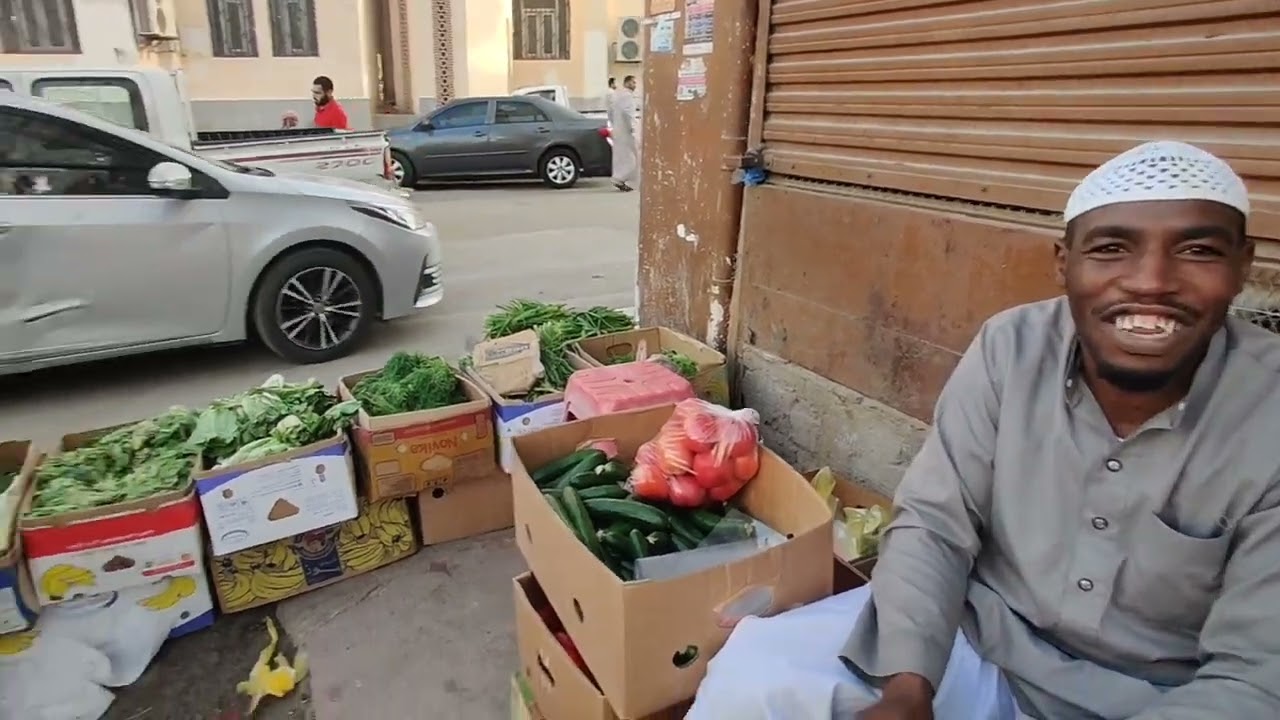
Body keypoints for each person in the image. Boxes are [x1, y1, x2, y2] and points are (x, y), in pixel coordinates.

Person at [685, 140, 1280, 719]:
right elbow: (935, 523)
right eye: (1111, 250)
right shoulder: (1012, 347)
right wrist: (908, 684)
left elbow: (1257, 674)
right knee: (755, 678)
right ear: (1064, 263)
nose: (1151, 281)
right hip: (979, 638)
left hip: (1150, 697)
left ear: (1242, 266)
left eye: (1197, 251)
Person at [607, 74, 639, 192]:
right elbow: (628, 114)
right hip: (626, 132)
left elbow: (610, 112)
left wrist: (613, 125)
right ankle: (620, 179)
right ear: (627, 83)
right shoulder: (627, 97)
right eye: (633, 82)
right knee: (631, 157)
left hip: (618, 130)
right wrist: (632, 128)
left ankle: (619, 178)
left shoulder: (617, 95)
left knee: (621, 157)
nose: (634, 85)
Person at [282, 76, 350, 130]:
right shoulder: (320, 110)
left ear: (329, 92)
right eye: (313, 92)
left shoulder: (337, 112)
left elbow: (340, 141)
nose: (314, 96)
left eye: (317, 93)